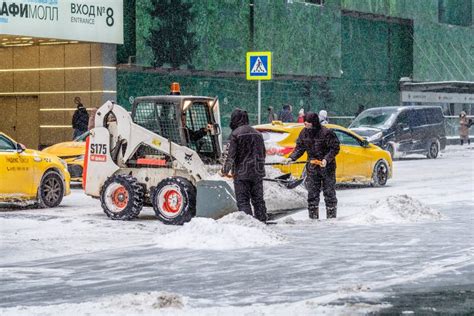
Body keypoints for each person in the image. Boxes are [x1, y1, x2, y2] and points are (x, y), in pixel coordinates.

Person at [284, 112, 340, 219]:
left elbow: (335, 148)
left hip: (327, 168)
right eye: (305, 123)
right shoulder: (304, 133)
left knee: (329, 193)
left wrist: (326, 159)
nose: (306, 126)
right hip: (312, 168)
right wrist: (292, 158)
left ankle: (332, 217)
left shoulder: (326, 133)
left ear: (314, 122)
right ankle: (313, 218)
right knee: (312, 194)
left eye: (308, 123)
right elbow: (300, 148)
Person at [221, 108, 267, 222]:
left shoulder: (235, 134)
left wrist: (225, 170)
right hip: (257, 172)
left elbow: (231, 156)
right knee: (258, 200)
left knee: (243, 201)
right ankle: (262, 222)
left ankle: (249, 225)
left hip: (242, 174)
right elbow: (263, 153)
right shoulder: (257, 134)